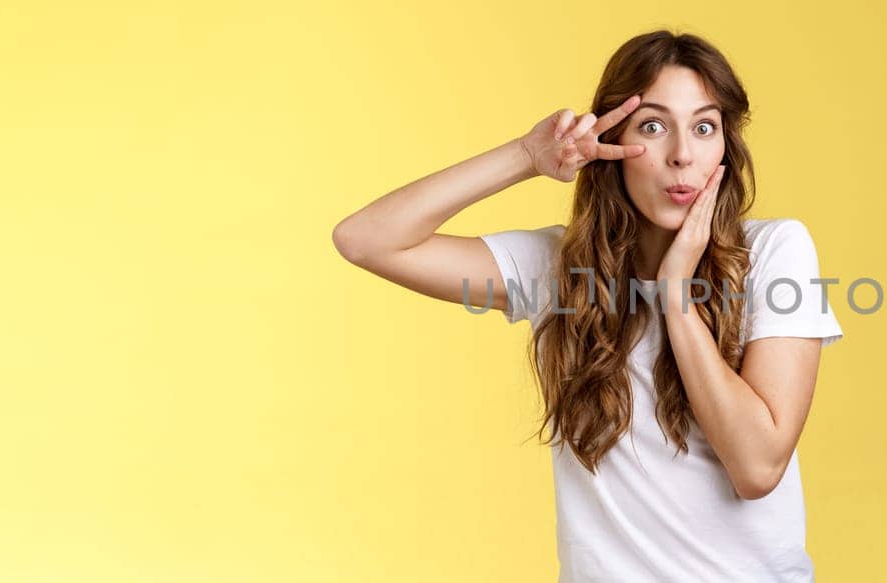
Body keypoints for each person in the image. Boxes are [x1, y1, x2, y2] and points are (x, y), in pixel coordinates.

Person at [332, 29, 842, 582]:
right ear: (613, 142)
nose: (682, 156)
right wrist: (527, 155)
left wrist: (676, 297)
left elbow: (758, 467)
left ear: (726, 146)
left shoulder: (771, 251)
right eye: (653, 125)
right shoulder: (559, 270)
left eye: (703, 127)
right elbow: (366, 240)